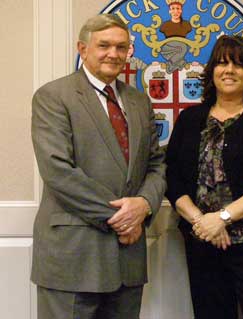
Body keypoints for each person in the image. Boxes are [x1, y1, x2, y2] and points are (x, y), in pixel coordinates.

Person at [31, 14, 166, 319]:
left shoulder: (139, 101)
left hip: (127, 260)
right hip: (73, 256)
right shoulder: (54, 97)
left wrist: (144, 204)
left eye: (122, 47)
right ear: (83, 48)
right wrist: (123, 219)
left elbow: (156, 164)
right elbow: (58, 171)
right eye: (104, 45)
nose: (113, 54)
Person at [165, 35, 243, 319]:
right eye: (222, 63)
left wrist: (222, 218)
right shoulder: (190, 119)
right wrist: (202, 222)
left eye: (238, 64)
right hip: (204, 244)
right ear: (211, 72)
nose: (229, 70)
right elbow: (172, 178)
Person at [160, 0, 192, 73]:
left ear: (181, 10)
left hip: (182, 48)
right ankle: (181, 63)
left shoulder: (186, 25)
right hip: (168, 48)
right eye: (173, 9)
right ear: (169, 11)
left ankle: (171, 65)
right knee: (182, 47)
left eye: (178, 8)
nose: (175, 11)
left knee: (182, 47)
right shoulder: (165, 25)